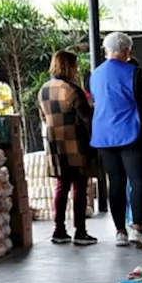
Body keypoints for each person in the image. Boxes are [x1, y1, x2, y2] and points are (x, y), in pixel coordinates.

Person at [90, 31, 142, 247]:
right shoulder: (134, 72)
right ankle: (137, 227)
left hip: (103, 135)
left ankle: (119, 231)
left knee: (116, 183)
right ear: (127, 50)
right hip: (131, 132)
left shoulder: (95, 74)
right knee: (139, 181)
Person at [37, 50, 97, 246]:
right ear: (70, 66)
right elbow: (87, 117)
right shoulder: (72, 90)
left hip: (55, 144)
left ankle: (59, 230)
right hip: (76, 144)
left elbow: (44, 118)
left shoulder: (43, 90)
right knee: (80, 187)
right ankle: (80, 231)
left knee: (61, 187)